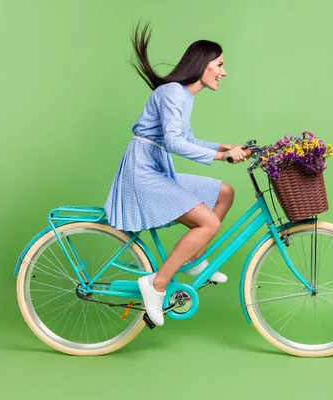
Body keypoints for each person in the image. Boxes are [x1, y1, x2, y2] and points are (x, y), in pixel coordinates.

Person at [104, 22, 248, 327]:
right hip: (142, 171)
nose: (224, 72)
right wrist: (220, 156)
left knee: (225, 192)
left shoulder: (185, 95)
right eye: (219, 64)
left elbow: (187, 139)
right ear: (202, 65)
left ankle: (195, 258)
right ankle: (156, 284)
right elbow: (172, 142)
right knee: (208, 222)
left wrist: (225, 146)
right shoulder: (172, 92)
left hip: (158, 168)